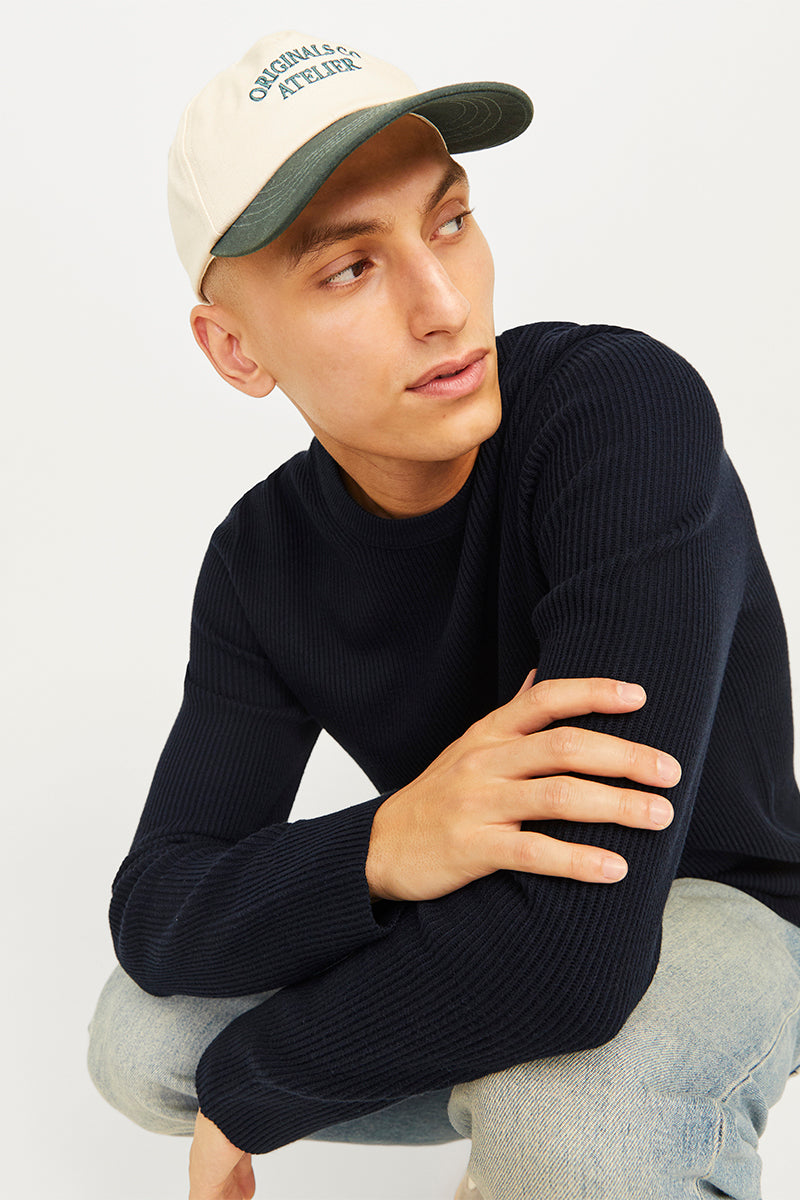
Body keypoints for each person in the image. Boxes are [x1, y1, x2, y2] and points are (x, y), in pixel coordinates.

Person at [87, 28, 800, 1200]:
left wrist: (255, 1085)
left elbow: (573, 958)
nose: (442, 305)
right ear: (235, 349)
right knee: (142, 1041)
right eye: (348, 269)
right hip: (507, 904)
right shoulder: (261, 557)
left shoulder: (618, 414)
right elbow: (156, 906)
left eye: (449, 221)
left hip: (716, 899)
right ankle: (507, 1075)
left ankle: (552, 1122)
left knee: (573, 1117)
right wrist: (385, 842)